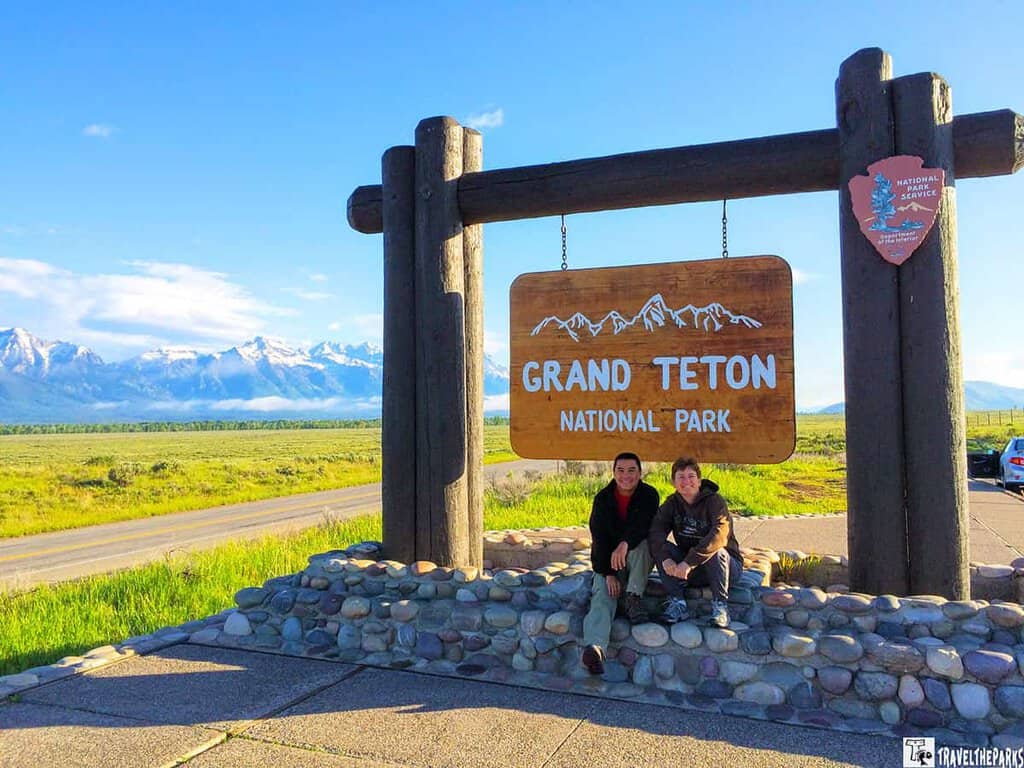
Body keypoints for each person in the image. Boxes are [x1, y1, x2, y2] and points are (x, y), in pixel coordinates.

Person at [580, 451, 660, 675]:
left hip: (636, 559)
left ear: (640, 473)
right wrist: (607, 573)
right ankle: (595, 649)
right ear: (613, 473)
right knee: (602, 597)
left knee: (643, 545)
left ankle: (633, 597)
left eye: (631, 470)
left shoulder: (649, 495)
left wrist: (625, 543)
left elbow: (644, 526)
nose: (626, 475)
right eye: (621, 470)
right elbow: (599, 539)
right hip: (609, 563)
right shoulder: (603, 499)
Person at [648, 456, 742, 628]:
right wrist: (665, 558)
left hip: (726, 568)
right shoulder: (672, 503)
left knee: (717, 550)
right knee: (660, 548)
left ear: (699, 481)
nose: (686, 481)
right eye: (681, 477)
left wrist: (688, 563)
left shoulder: (715, 502)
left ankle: (720, 607)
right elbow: (656, 532)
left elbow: (719, 534)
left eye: (691, 476)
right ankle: (678, 603)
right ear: (674, 482)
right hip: (689, 569)